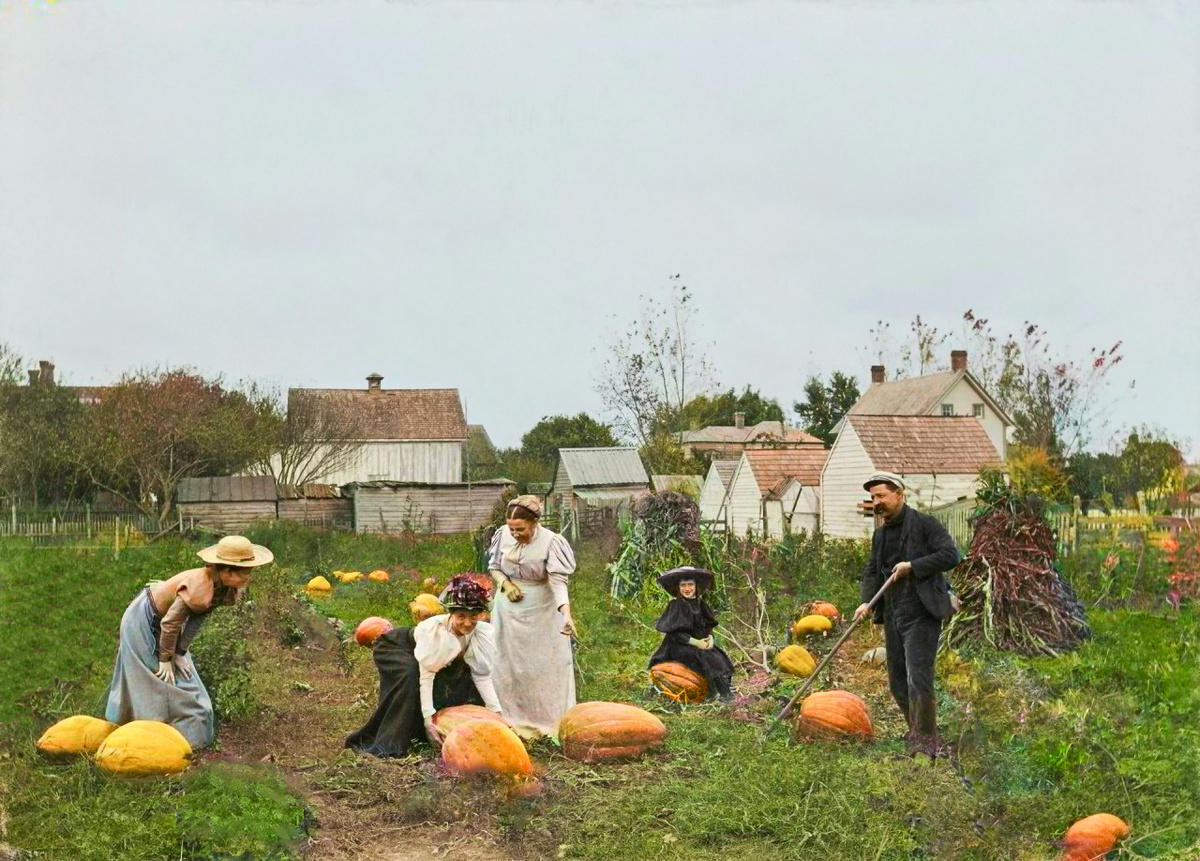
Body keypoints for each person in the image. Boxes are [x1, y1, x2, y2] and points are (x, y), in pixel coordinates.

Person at [104, 534, 274, 749]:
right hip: (143, 620)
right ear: (228, 571)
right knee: (154, 678)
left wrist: (181, 652)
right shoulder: (198, 584)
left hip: (166, 627)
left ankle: (186, 743)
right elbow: (170, 623)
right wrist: (166, 658)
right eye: (245, 574)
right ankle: (144, 739)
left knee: (184, 677)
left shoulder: (222, 588)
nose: (248, 579)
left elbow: (195, 620)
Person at [853, 472, 959, 758]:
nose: (877, 502)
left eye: (882, 496)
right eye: (873, 497)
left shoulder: (925, 525)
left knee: (918, 679)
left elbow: (951, 555)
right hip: (893, 612)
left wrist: (912, 565)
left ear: (899, 494)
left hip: (921, 611)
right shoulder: (881, 533)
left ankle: (925, 744)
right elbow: (873, 570)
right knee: (897, 680)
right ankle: (918, 732)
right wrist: (867, 603)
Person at [346, 575, 502, 757]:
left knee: (462, 677)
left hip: (426, 655)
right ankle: (392, 741)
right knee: (411, 677)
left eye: (473, 616)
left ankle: (425, 728)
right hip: (399, 647)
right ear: (451, 614)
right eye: (461, 616)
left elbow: (481, 675)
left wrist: (497, 714)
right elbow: (426, 676)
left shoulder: (481, 633)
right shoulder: (437, 633)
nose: (467, 623)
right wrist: (429, 722)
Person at [486, 495, 577, 736]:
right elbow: (494, 567)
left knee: (544, 665)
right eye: (511, 529)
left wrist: (566, 613)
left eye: (521, 529)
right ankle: (509, 720)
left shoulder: (551, 542)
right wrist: (505, 585)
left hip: (542, 610)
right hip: (507, 610)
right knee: (507, 664)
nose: (515, 534)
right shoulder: (502, 535)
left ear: (535, 523)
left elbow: (558, 583)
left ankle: (549, 724)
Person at [648, 566, 735, 703]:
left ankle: (721, 692)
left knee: (719, 657)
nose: (687, 589)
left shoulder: (700, 604)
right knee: (706, 659)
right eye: (683, 585)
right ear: (678, 588)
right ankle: (711, 694)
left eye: (690, 585)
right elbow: (676, 634)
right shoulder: (676, 605)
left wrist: (710, 638)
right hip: (679, 646)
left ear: (696, 587)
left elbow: (707, 626)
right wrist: (697, 643)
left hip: (698, 643)